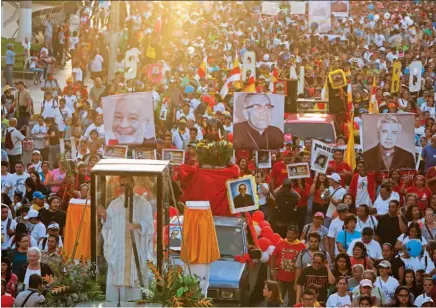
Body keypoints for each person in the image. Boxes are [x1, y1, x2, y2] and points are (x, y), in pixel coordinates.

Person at [100, 176, 154, 302]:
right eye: (123, 185)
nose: (125, 188)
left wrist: (137, 225)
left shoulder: (143, 203)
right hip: (119, 249)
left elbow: (150, 225)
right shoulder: (115, 203)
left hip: (137, 246)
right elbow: (108, 226)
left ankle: (137, 301)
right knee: (118, 274)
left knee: (135, 277)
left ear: (133, 184)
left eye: (127, 185)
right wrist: (104, 217)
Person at [270, 225, 306, 306]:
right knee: (277, 298)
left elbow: (304, 263)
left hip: (294, 279)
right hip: (280, 278)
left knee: (292, 299)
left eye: (292, 234)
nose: (290, 235)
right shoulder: (280, 243)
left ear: (297, 235)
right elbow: (273, 257)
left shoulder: (302, 247)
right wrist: (272, 270)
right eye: (288, 233)